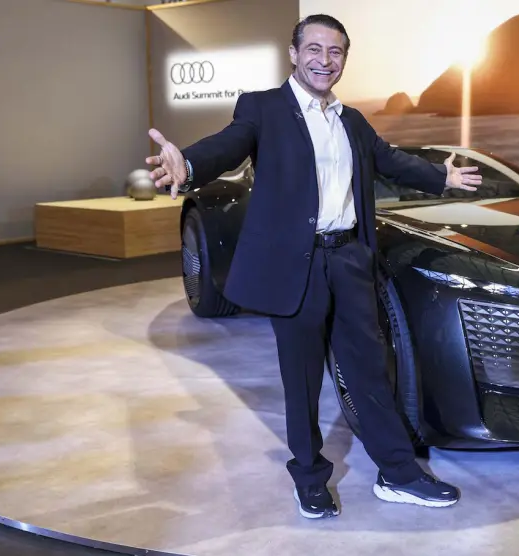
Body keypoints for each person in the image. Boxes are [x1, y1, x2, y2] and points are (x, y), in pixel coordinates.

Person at [144, 14, 482, 519]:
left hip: (348, 259)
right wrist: (188, 164)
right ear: (294, 54)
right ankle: (309, 478)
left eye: (336, 51)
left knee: (369, 372)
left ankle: (398, 474)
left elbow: (390, 160)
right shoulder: (263, 109)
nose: (325, 60)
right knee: (301, 381)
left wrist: (442, 177)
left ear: (345, 59)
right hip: (295, 267)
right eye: (315, 49)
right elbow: (228, 145)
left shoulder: (352, 121)